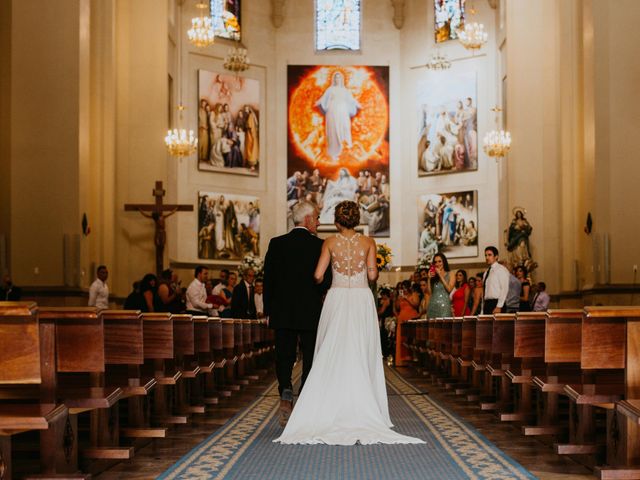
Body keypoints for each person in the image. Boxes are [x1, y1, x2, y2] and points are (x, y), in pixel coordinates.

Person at [274, 200, 424, 445]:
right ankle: (363, 403)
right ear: (356, 220)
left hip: (338, 297)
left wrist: (334, 273)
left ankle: (327, 403)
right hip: (361, 299)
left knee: (334, 348)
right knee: (360, 348)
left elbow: (318, 275)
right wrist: (368, 269)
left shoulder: (329, 242)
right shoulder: (368, 242)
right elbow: (373, 274)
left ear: (336, 221)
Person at [263, 201, 331, 427]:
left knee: (284, 354)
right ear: (309, 219)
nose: (319, 222)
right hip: (310, 310)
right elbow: (325, 281)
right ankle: (304, 395)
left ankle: (285, 390)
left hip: (282, 310)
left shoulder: (276, 243)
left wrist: (268, 310)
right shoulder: (319, 246)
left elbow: (268, 280)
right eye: (318, 218)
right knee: (310, 353)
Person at [315, 71, 361, 160]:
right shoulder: (330, 89)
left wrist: (359, 104)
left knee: (345, 128)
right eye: (336, 77)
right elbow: (323, 99)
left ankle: (345, 151)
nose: (337, 79)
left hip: (343, 112)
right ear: (334, 79)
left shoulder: (345, 90)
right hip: (332, 111)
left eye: (339, 77)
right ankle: (334, 153)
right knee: (333, 130)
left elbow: (352, 100)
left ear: (342, 79)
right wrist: (316, 103)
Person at [393, 280, 420, 366]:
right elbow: (397, 307)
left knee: (410, 339)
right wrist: (398, 299)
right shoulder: (400, 296)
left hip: (411, 318)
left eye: (404, 288)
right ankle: (401, 360)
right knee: (401, 339)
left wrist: (406, 298)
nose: (403, 290)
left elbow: (416, 304)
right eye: (402, 288)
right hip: (402, 318)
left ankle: (411, 359)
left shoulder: (414, 294)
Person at [482, 246, 510, 314]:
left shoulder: (501, 269)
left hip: (496, 303)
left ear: (496, 256)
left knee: (498, 325)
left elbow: (504, 289)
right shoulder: (486, 272)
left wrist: (499, 306)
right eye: (485, 255)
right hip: (487, 304)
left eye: (489, 255)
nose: (487, 258)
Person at [426, 253, 455, 319]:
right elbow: (430, 293)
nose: (437, 264)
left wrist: (440, 275)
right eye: (435, 262)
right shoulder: (433, 276)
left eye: (440, 261)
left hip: (444, 307)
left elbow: (449, 289)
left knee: (444, 328)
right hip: (432, 306)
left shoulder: (451, 273)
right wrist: (429, 278)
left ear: (444, 262)